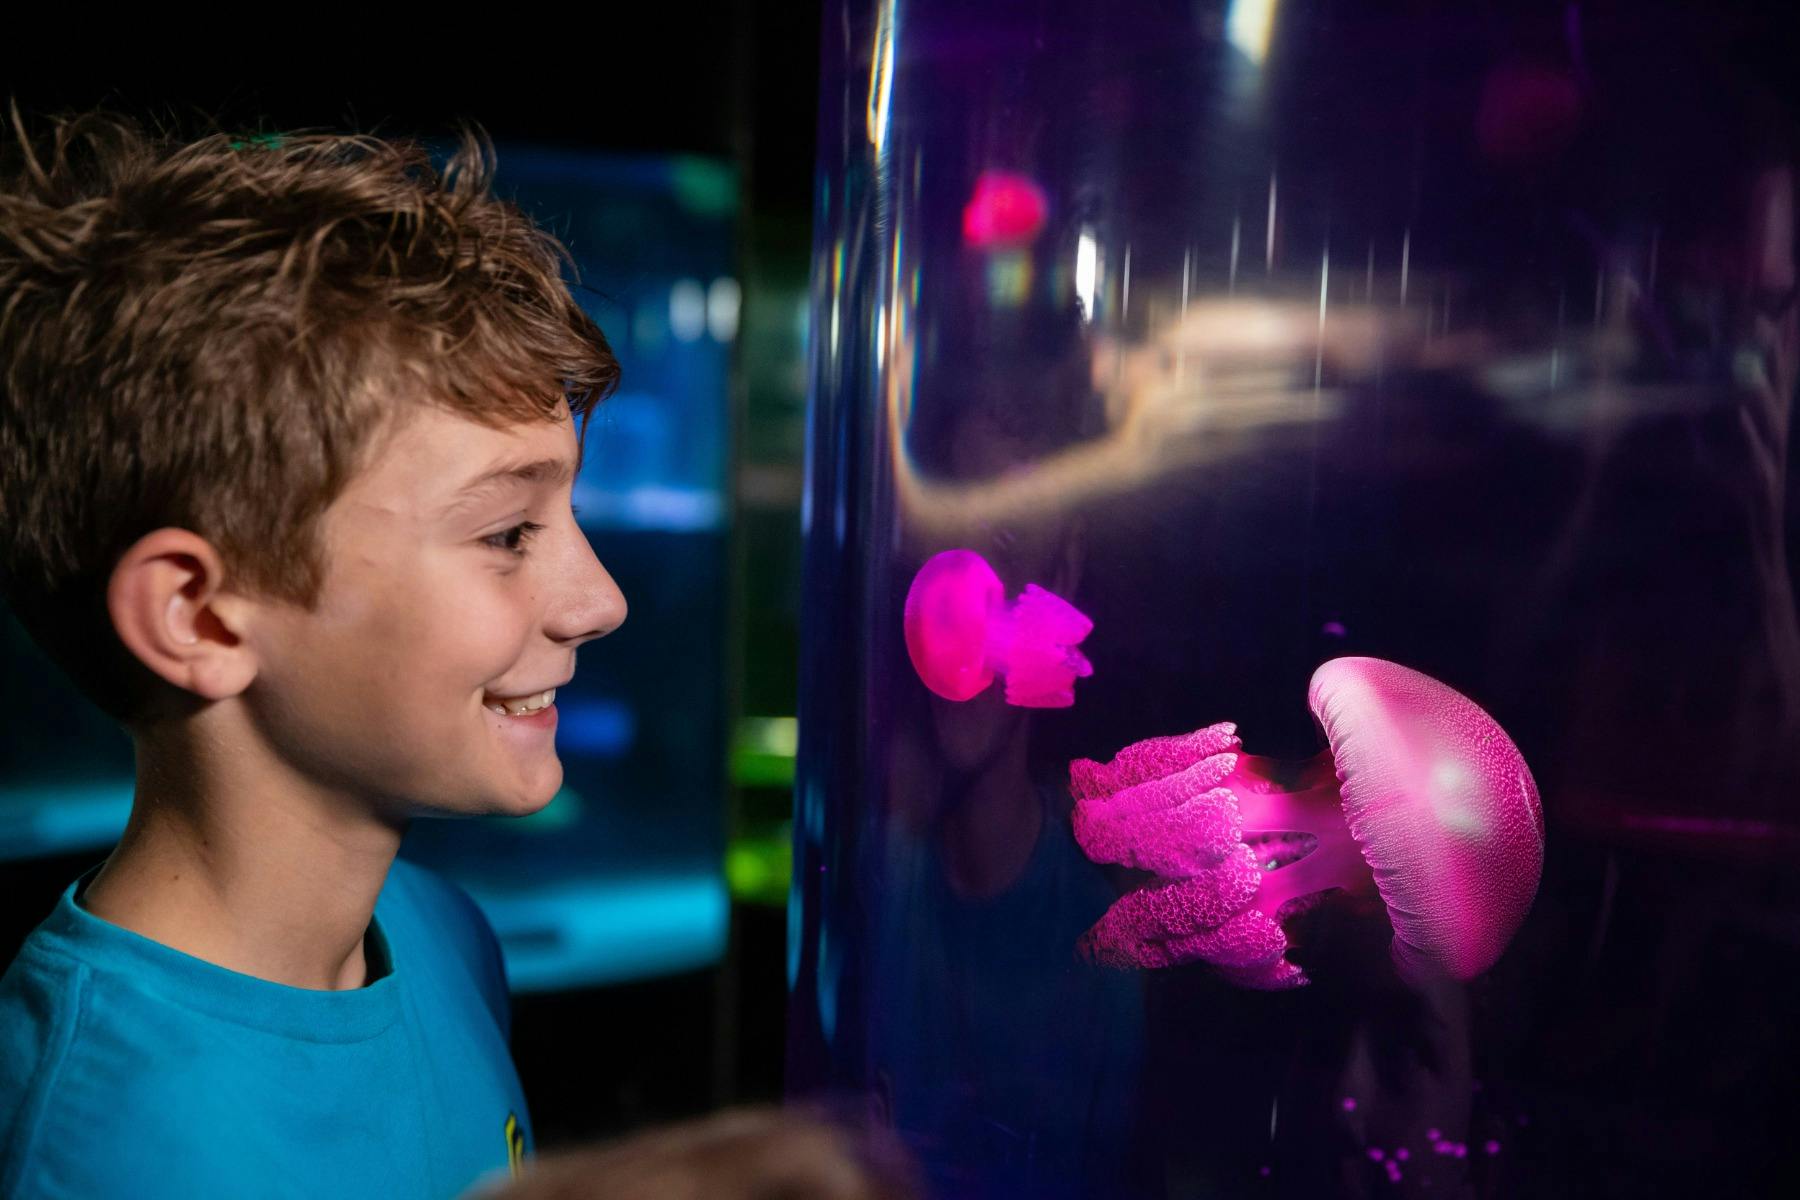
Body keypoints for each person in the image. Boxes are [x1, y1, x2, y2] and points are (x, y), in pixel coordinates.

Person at [0, 107, 630, 1197]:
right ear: (198, 616)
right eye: (506, 534)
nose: (600, 603)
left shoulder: (441, 937)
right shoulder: (112, 1154)